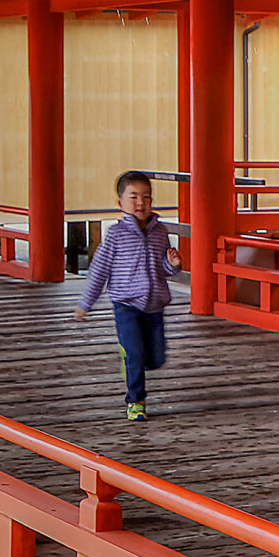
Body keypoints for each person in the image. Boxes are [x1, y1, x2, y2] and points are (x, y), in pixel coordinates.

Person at [73, 170, 184, 422]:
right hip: (126, 304)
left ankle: (133, 362)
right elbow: (99, 271)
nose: (140, 203)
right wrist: (85, 304)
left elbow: (163, 269)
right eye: (133, 197)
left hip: (154, 304)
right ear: (120, 203)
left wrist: (173, 265)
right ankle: (136, 401)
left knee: (155, 358)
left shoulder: (160, 232)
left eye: (146, 197)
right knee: (135, 353)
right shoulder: (115, 235)